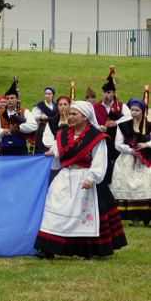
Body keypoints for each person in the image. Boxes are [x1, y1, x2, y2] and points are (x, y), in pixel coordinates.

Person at [35, 101, 127, 260]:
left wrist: (92, 178)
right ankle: (48, 248)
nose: (70, 117)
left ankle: (88, 251)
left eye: (74, 114)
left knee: (84, 215)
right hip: (64, 177)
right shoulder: (62, 134)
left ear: (85, 116)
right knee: (55, 211)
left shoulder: (96, 136)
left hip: (84, 178)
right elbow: (58, 151)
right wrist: (52, 153)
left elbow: (100, 160)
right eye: (70, 114)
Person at [110, 99, 151, 227]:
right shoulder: (123, 125)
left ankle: (145, 217)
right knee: (127, 184)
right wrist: (130, 150)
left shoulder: (149, 126)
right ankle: (134, 220)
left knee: (146, 185)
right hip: (127, 159)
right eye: (132, 110)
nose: (133, 113)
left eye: (137, 110)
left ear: (143, 112)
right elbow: (118, 144)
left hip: (145, 160)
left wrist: (146, 144)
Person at [93, 77, 131, 185]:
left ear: (114, 93)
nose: (106, 95)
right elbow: (90, 122)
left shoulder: (121, 106)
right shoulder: (95, 107)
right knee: (105, 164)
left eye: (109, 92)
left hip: (117, 140)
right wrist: (99, 127)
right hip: (103, 141)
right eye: (104, 92)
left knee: (118, 164)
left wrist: (116, 123)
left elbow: (130, 118)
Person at [0, 81, 37, 156]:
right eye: (7, 98)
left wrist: (19, 128)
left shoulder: (24, 111)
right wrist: (3, 131)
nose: (9, 100)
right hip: (5, 148)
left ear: (17, 99)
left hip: (21, 147)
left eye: (12, 98)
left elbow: (34, 126)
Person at [42, 95, 71, 183]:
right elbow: (47, 139)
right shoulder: (52, 122)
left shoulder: (74, 120)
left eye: (65, 104)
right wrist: (60, 145)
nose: (63, 107)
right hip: (55, 157)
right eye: (60, 104)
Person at [32, 87, 58, 155]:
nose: (47, 95)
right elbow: (32, 116)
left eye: (49, 94)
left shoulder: (56, 106)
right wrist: (40, 116)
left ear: (53, 95)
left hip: (54, 128)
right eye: (46, 93)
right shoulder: (40, 105)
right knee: (41, 145)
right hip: (43, 127)